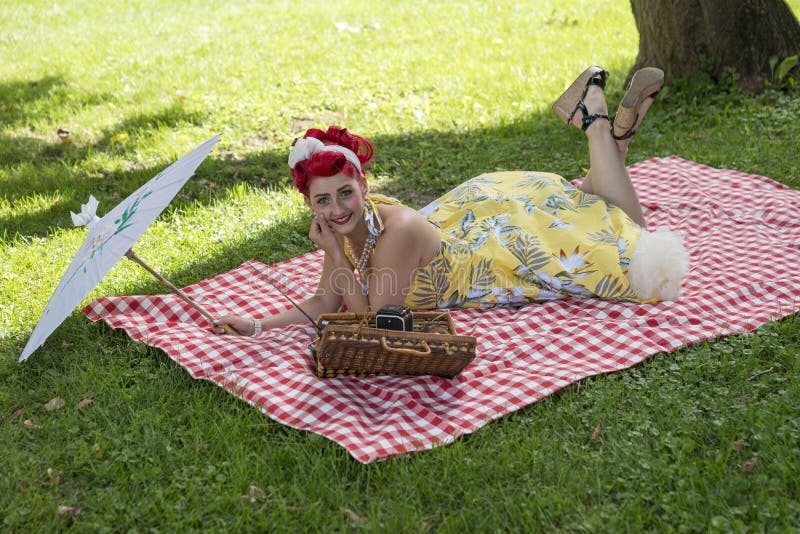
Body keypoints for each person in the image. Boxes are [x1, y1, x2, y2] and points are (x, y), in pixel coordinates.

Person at [213, 66, 688, 336]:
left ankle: (598, 124)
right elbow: (326, 299)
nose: (337, 209)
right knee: (605, 212)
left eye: (345, 193)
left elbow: (374, 326)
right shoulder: (351, 226)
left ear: (362, 184)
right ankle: (611, 141)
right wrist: (257, 327)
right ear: (309, 204)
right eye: (323, 201)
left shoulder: (391, 235)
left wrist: (336, 254)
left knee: (627, 243)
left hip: (496, 254)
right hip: (474, 221)